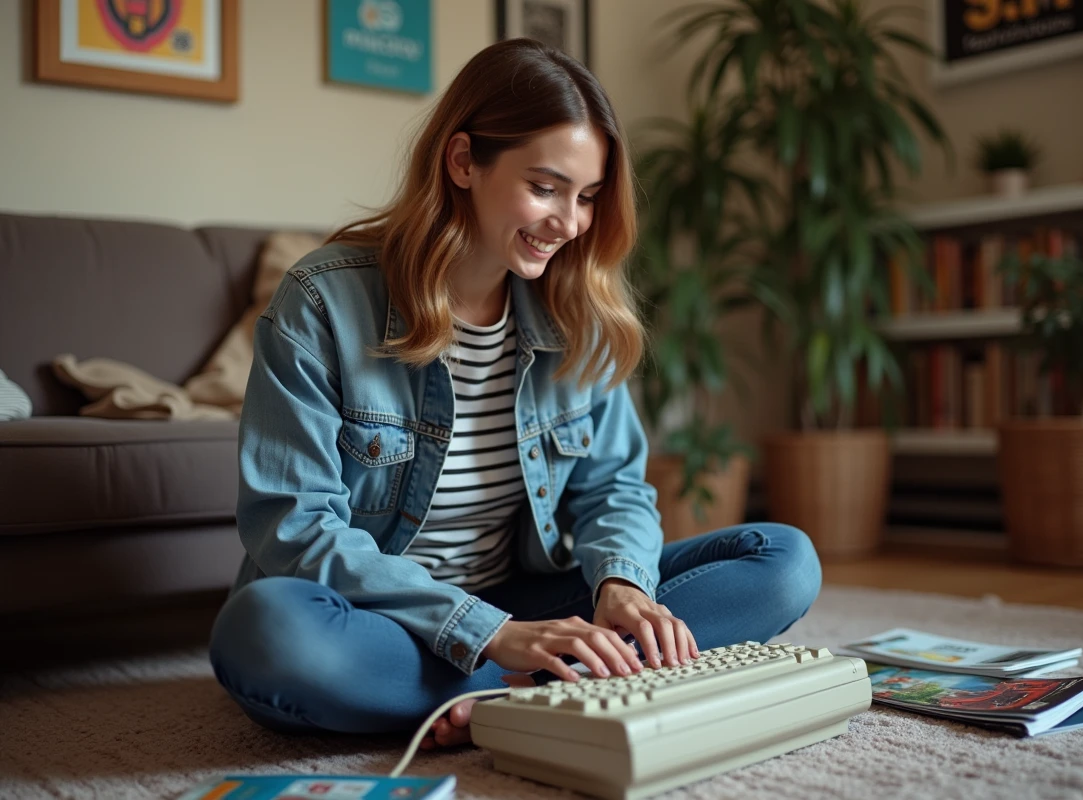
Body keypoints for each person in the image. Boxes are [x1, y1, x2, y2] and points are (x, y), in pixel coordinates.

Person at [208, 37, 822, 751]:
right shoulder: (323, 301)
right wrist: (488, 634)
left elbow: (614, 492)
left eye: (588, 197)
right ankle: (537, 689)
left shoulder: (575, 312)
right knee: (268, 635)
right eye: (546, 186)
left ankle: (492, 693)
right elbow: (294, 528)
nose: (570, 223)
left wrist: (621, 587)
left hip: (530, 605)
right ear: (464, 160)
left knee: (782, 560)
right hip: (381, 616)